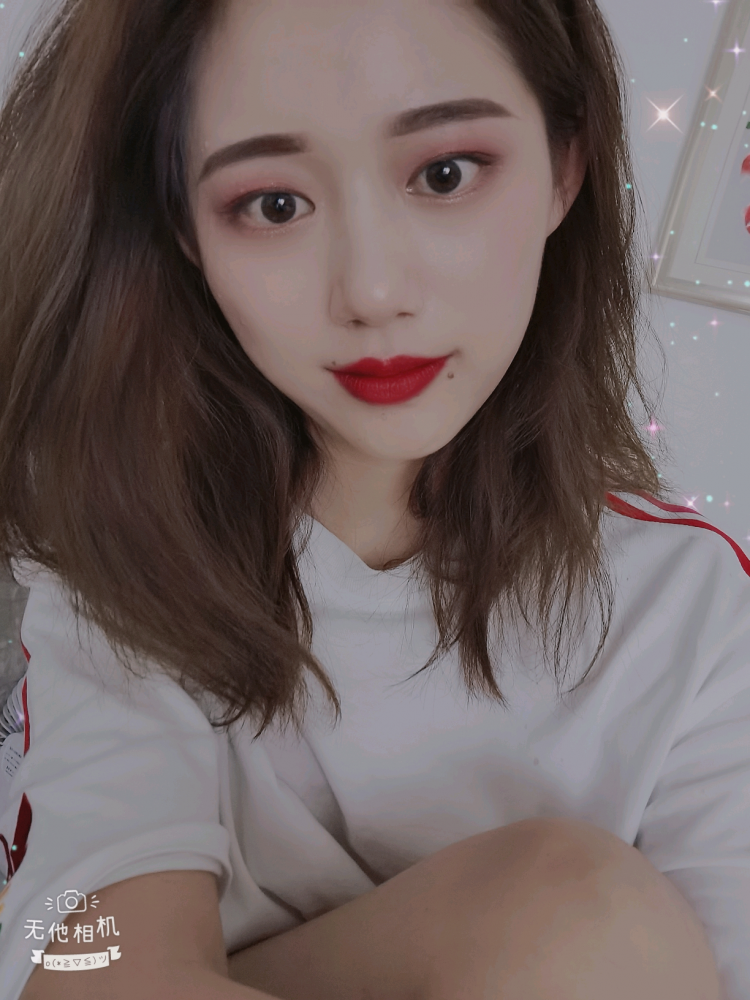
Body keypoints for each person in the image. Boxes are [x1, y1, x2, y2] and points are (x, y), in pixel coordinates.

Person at [0, 0, 745, 997]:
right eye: (273, 204)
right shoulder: (127, 567)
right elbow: (87, 963)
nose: (372, 290)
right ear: (186, 227)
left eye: (445, 174)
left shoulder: (696, 608)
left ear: (565, 166)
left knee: (582, 915)